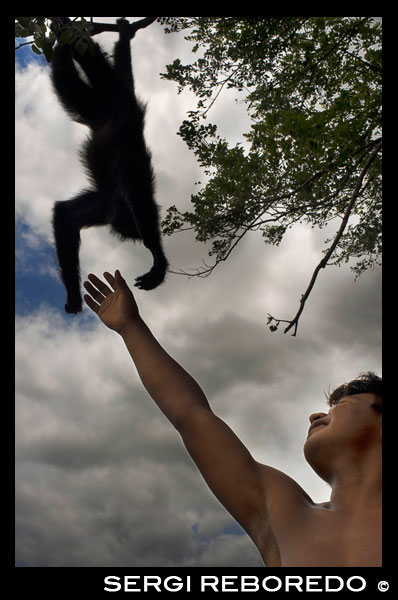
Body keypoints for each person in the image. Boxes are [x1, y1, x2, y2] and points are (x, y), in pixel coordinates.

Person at [83, 270, 382, 567]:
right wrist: (131, 327)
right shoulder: (285, 511)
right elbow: (190, 414)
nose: (317, 414)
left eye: (341, 403)